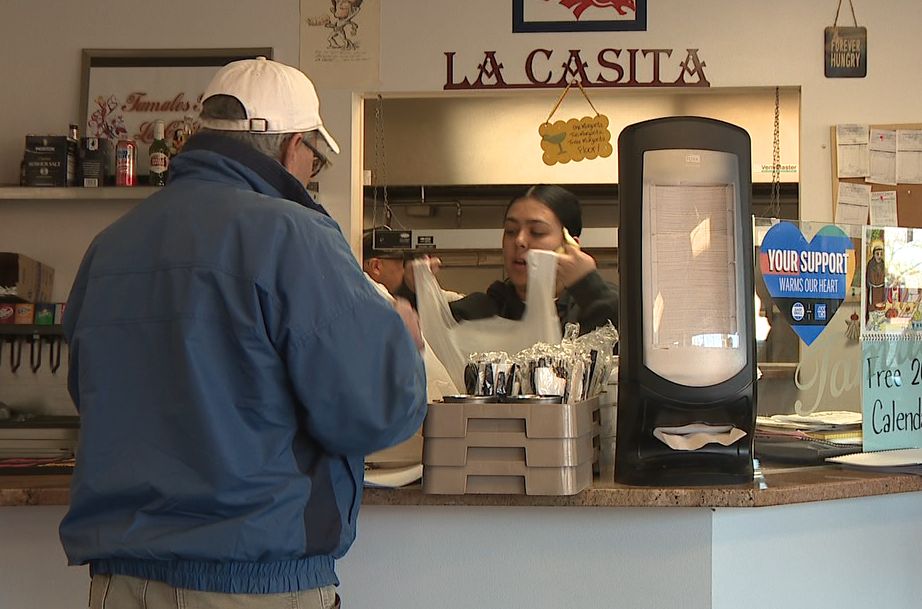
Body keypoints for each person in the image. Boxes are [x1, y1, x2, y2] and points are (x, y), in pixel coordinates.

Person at [60, 57, 426, 607]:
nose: (310, 173)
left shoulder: (111, 245)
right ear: (290, 147)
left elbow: (89, 394)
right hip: (253, 585)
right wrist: (400, 340)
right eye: (314, 158)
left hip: (120, 584)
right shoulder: (296, 236)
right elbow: (371, 413)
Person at [449, 184, 619, 335]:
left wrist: (589, 287)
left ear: (570, 245)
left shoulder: (598, 305)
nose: (520, 241)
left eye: (537, 232)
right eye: (511, 230)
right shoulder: (485, 310)